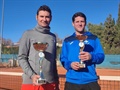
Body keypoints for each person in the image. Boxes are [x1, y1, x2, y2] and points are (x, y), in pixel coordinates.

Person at [18, 5, 59, 90]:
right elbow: (21, 57)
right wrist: (32, 76)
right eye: (41, 16)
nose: (44, 19)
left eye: (47, 17)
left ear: (51, 18)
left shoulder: (53, 37)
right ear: (36, 17)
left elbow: (53, 61)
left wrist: (56, 81)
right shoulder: (27, 34)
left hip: (50, 83)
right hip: (30, 83)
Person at [60, 12, 105, 90]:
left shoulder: (93, 38)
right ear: (73, 23)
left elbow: (101, 56)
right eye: (77, 21)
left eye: (82, 21)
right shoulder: (67, 40)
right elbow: (63, 59)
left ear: (85, 23)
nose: (80, 24)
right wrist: (70, 65)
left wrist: (91, 56)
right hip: (72, 82)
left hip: (90, 81)